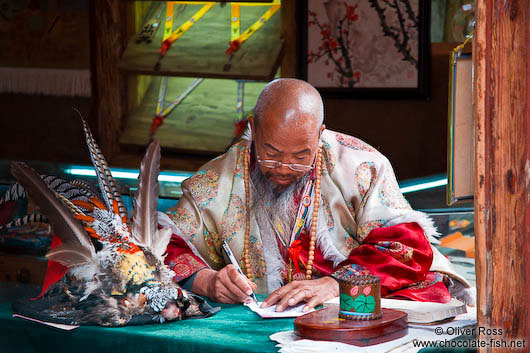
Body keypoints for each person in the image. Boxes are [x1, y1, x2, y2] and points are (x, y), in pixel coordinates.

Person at [160, 78, 474, 312]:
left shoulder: (361, 166)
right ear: (253, 129)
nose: (283, 167)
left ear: (320, 135)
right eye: (270, 152)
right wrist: (206, 281)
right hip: (263, 311)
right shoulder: (218, 179)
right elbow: (163, 239)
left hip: (347, 305)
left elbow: (405, 245)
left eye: (300, 156)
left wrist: (335, 285)